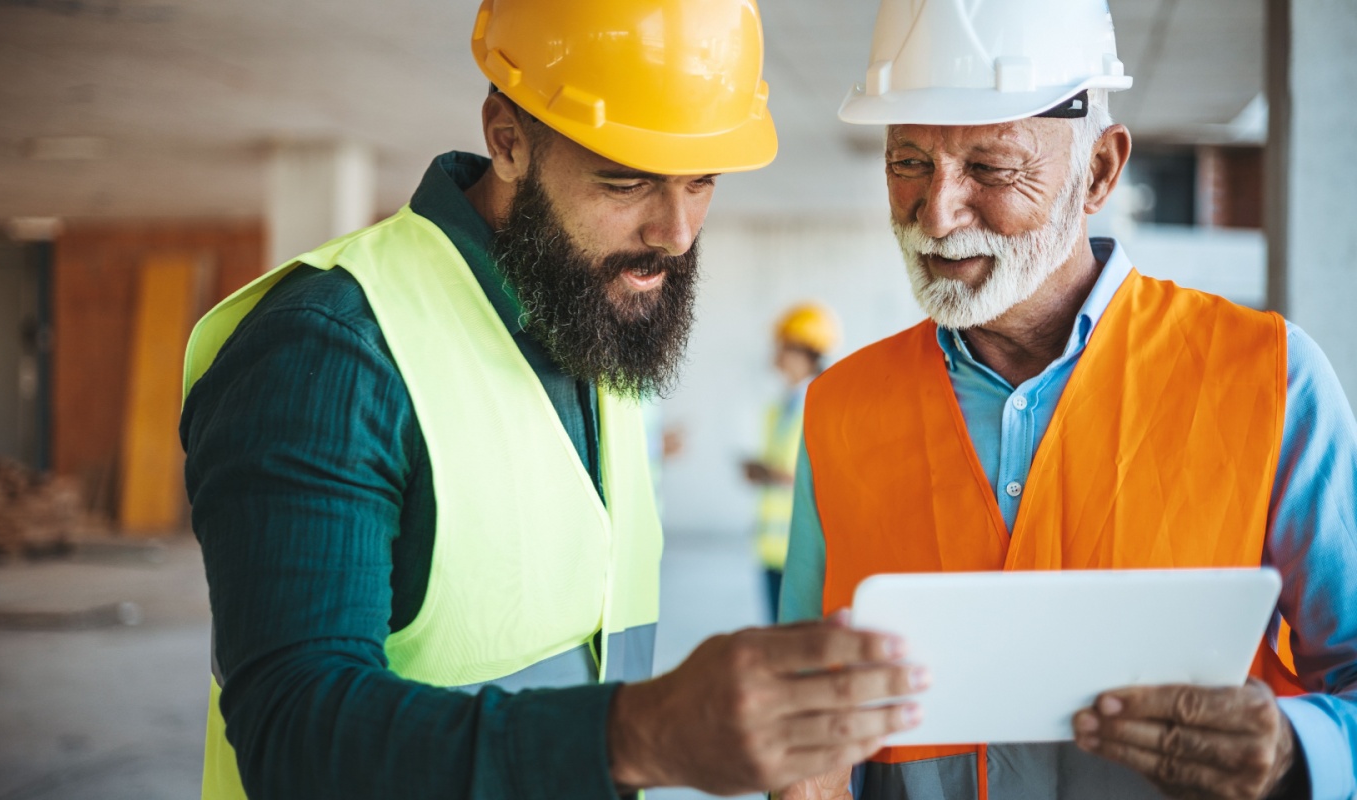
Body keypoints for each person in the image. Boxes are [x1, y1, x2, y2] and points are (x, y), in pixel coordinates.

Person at [180, 2, 928, 798]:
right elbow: (294, 736)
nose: (676, 232)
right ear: (507, 138)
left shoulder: (592, 319)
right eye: (626, 179)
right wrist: (641, 734)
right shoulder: (330, 353)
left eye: (702, 181)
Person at [778, 0, 1357, 798]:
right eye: (908, 160)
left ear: (1099, 172)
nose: (937, 213)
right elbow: (801, 716)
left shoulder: (1270, 379)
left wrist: (1300, 750)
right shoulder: (838, 408)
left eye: (991, 167)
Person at [742, 303, 839, 620]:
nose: (776, 353)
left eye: (782, 345)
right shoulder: (779, 407)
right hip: (772, 546)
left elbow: (829, 475)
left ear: (804, 352)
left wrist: (771, 474)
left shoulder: (825, 403)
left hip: (803, 546)